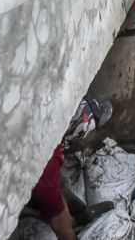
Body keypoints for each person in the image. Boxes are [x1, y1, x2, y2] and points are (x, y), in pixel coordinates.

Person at [22, 99, 113, 240]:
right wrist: (69, 234)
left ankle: (71, 219)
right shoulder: (47, 160)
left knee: (62, 187)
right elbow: (59, 224)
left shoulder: (48, 135)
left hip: (33, 185)